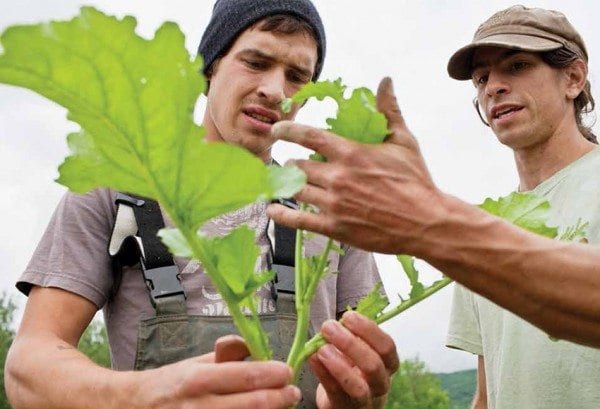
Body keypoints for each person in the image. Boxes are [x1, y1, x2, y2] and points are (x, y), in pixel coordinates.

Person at [4, 1, 398, 408]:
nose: (276, 91)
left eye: (297, 76)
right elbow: (28, 366)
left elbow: (360, 377)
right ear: (210, 67)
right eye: (256, 62)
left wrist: (353, 398)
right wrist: (138, 395)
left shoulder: (329, 209)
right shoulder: (123, 188)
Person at [267, 4, 600, 407]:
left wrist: (430, 222)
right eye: (481, 78)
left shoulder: (461, 232)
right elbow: (487, 392)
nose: (493, 86)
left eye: (517, 66)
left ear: (574, 78)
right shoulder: (481, 226)